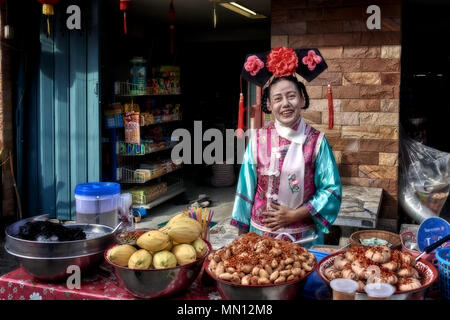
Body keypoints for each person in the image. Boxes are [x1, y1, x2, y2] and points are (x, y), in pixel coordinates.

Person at [231, 46, 342, 247]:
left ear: (301, 98)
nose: (285, 104)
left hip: (304, 238)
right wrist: (241, 238)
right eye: (277, 99)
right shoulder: (258, 140)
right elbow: (246, 189)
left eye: (291, 96)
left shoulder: (317, 141)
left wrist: (294, 215)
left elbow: (331, 190)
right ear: (269, 105)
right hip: (260, 239)